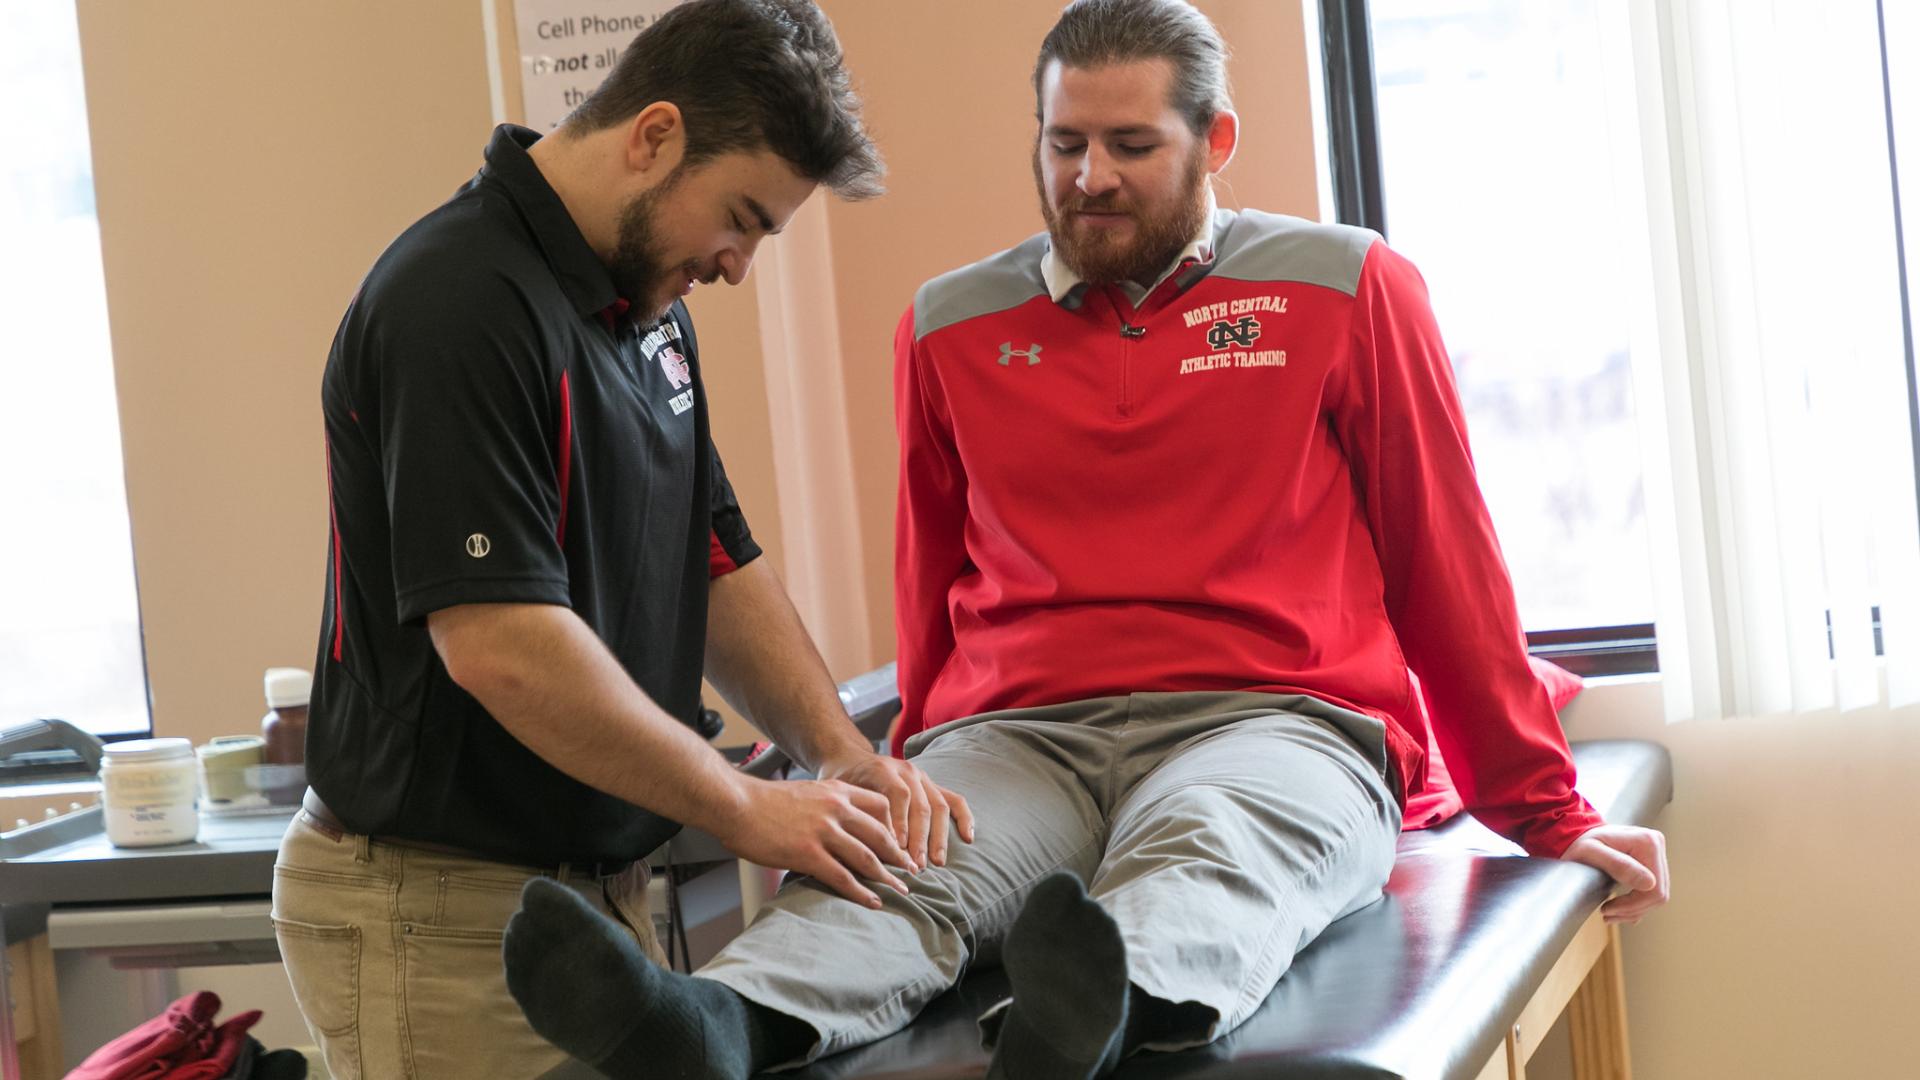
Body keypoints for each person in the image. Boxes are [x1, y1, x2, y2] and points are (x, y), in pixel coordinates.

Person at [499, 2, 1671, 1078]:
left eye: (1130, 145)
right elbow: (935, 586)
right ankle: (711, 1021)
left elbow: (1445, 564)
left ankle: (1097, 1012)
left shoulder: (1347, 286)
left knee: (1211, 845)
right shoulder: (951, 323)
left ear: (1214, 143)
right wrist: (918, 763)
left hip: (1271, 715)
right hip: (1019, 735)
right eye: (1064, 145)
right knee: (910, 869)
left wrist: (1543, 809)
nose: (1089, 177)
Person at [270, 2, 972, 1076]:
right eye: (741, 218)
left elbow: (716, 557)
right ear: (653, 137)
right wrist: (743, 805)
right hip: (442, 911)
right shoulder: (458, 303)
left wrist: (840, 754)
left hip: (591, 897)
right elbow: (499, 645)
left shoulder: (647, 310)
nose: (739, 265)